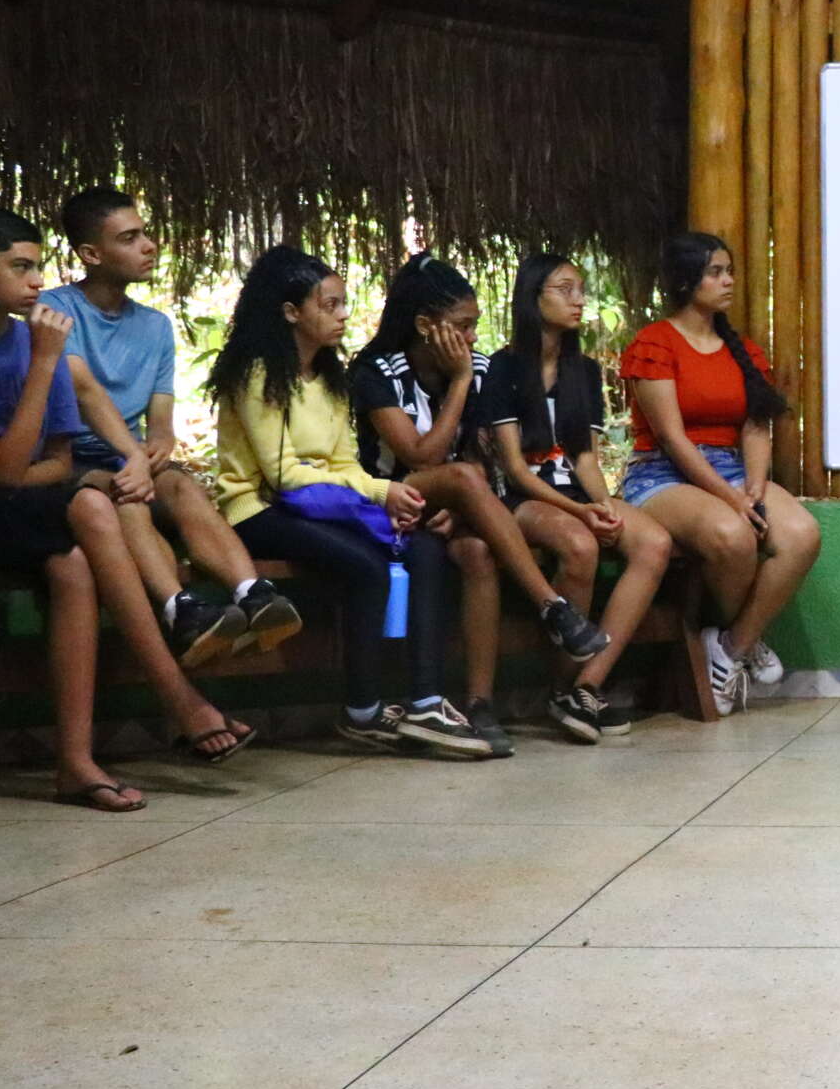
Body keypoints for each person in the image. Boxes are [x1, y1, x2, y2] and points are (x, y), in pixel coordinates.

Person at [0, 206, 254, 810]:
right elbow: (11, 470)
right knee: (92, 506)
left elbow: (54, 465)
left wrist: (2, 476)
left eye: (39, 266)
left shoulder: (42, 342)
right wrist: (38, 369)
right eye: (21, 267)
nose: (38, 281)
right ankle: (178, 695)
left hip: (12, 507)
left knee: (75, 564)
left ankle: (75, 763)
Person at [211, 245, 487, 758]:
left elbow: (343, 467)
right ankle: (362, 711)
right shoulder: (255, 373)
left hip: (324, 503)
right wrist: (383, 493)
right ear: (292, 312)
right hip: (259, 509)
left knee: (425, 547)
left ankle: (425, 699)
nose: (342, 315)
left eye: (343, 304)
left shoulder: (332, 378)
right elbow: (283, 474)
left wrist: (385, 497)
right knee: (365, 567)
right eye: (330, 305)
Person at [348, 253, 612, 756]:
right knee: (464, 477)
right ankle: (553, 609)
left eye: (475, 327)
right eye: (461, 327)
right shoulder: (377, 372)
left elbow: (481, 458)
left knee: (478, 553)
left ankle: (479, 703)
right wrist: (462, 382)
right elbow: (419, 455)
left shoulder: (486, 368)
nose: (471, 339)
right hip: (390, 504)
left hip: (456, 504)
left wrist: (463, 505)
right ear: (425, 325)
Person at [46, 185, 301, 669]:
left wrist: (155, 450)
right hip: (68, 460)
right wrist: (136, 462)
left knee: (181, 488)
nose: (148, 246)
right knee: (130, 497)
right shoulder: (56, 310)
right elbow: (82, 395)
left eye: (146, 234)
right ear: (90, 254)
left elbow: (160, 422)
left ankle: (255, 595)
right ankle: (180, 609)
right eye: (129, 238)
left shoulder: (155, 326)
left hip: (131, 454)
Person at [618, 231, 820, 714]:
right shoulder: (654, 344)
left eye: (729, 270)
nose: (728, 280)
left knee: (801, 533)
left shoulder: (743, 351)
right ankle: (747, 638)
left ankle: (733, 645)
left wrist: (752, 487)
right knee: (734, 535)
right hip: (661, 474)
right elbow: (671, 439)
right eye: (716, 272)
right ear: (687, 280)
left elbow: (754, 429)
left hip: (730, 468)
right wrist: (734, 502)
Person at [485, 253, 670, 743]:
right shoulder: (502, 368)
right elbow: (516, 470)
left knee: (653, 543)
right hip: (521, 500)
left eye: (581, 289)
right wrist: (583, 514)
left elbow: (585, 460)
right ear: (533, 297)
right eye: (565, 289)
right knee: (580, 545)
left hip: (573, 494)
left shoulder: (582, 371)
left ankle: (586, 686)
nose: (580, 299)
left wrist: (605, 507)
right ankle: (560, 686)